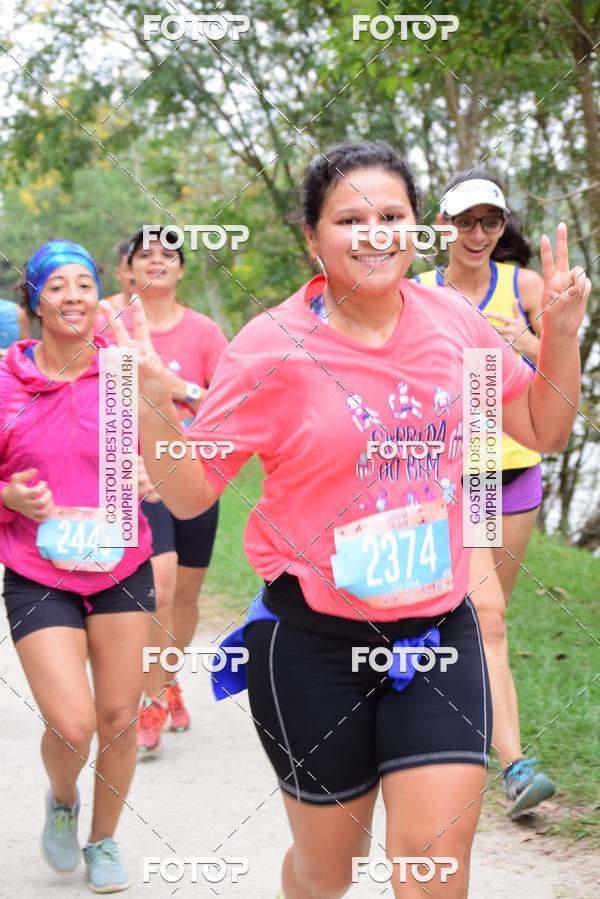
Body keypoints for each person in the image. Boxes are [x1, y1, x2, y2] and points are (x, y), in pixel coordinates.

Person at [103, 141, 589, 898]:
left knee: (433, 863)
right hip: (312, 648)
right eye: (350, 218)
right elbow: (192, 493)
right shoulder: (271, 348)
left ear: (416, 225)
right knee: (327, 870)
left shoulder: (456, 322)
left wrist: (562, 338)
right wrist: (149, 400)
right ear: (312, 236)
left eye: (392, 214)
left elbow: (544, 426)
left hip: (435, 634)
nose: (375, 233)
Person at [0, 240, 155, 893]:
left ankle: (104, 840)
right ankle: (63, 800)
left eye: (83, 284)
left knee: (119, 716)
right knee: (72, 722)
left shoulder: (123, 371)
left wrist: (153, 470)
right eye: (57, 286)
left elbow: (175, 450)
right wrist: (5, 493)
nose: (72, 296)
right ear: (36, 299)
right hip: (37, 566)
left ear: (99, 296)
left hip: (121, 560)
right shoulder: (5, 378)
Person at [414, 169, 555, 815]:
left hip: (516, 471)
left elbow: (559, 376)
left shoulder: (524, 286)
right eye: (464, 221)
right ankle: (515, 766)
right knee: (487, 616)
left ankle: (449, 712)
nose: (477, 233)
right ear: (442, 225)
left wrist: (535, 343)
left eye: (489, 222)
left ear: (502, 227)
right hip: (452, 480)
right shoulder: (417, 293)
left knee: (478, 617)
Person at [97, 226, 228, 755]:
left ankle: (166, 676)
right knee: (162, 586)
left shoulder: (205, 333)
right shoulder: (103, 320)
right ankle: (148, 699)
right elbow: (84, 397)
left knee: (187, 597)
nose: (155, 262)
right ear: (125, 268)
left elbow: (229, 407)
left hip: (193, 476)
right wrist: (126, 462)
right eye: (143, 255)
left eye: (167, 255)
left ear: (181, 270)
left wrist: (182, 391)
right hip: (134, 481)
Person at [103, 241, 136, 312]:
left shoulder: (162, 310)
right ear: (118, 273)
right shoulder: (103, 309)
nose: (133, 277)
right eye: (128, 269)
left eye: (138, 269)